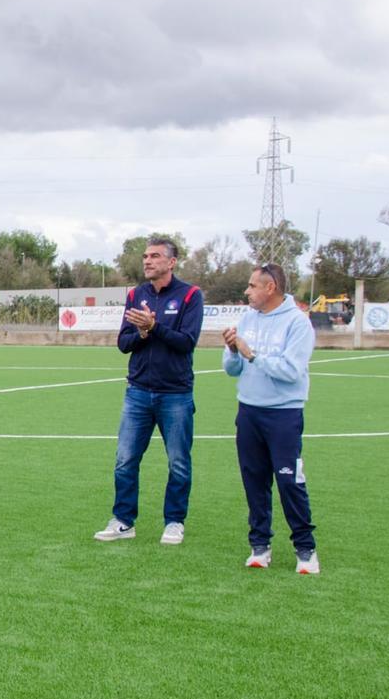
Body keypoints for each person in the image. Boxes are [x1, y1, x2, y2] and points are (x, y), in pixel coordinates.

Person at [95, 235, 204, 545]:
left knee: (178, 462)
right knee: (125, 460)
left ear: (171, 262)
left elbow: (186, 342)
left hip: (176, 394)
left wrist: (154, 328)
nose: (147, 261)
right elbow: (123, 343)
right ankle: (123, 520)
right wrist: (142, 332)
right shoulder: (136, 294)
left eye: (155, 256)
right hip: (138, 392)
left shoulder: (190, 296)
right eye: (145, 256)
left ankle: (174, 521)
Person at [222, 263, 319, 574]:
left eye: (252, 286)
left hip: (284, 415)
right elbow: (231, 369)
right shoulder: (248, 318)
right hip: (249, 411)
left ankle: (306, 549)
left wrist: (252, 355)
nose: (247, 291)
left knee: (289, 481)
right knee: (254, 480)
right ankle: (260, 545)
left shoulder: (298, 324)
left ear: (270, 288)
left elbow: (292, 371)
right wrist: (233, 352)